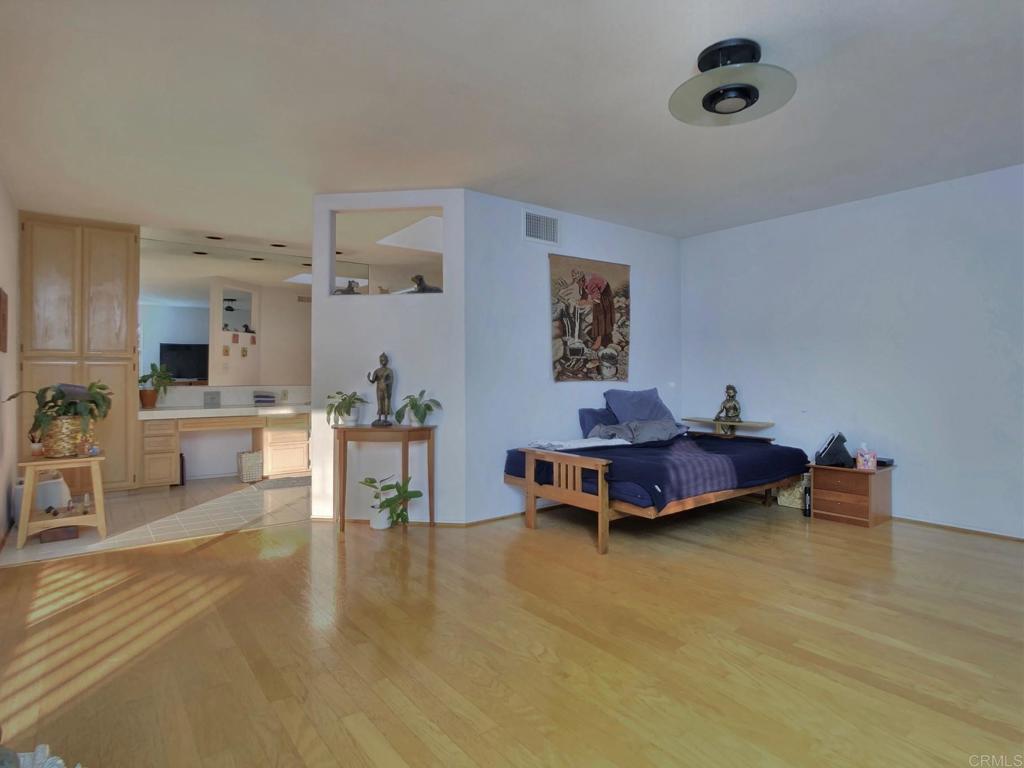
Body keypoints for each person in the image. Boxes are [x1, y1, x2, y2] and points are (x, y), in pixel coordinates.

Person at [572, 268, 615, 350]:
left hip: (604, 293)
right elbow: (584, 292)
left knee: (599, 315)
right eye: (576, 282)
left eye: (578, 282)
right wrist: (581, 300)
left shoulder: (590, 283)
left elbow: (596, 300)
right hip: (598, 290)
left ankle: (598, 342)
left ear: (582, 279)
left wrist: (585, 303)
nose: (577, 284)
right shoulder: (583, 281)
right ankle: (602, 337)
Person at [367, 352, 394, 426]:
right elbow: (373, 380)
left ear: (387, 361)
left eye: (384, 360)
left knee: (386, 402)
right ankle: (379, 418)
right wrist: (369, 378)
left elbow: (391, 380)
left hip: (386, 389)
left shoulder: (389, 370)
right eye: (381, 360)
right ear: (379, 361)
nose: (383, 361)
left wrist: (386, 382)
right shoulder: (377, 371)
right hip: (379, 388)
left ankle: (385, 419)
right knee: (379, 402)